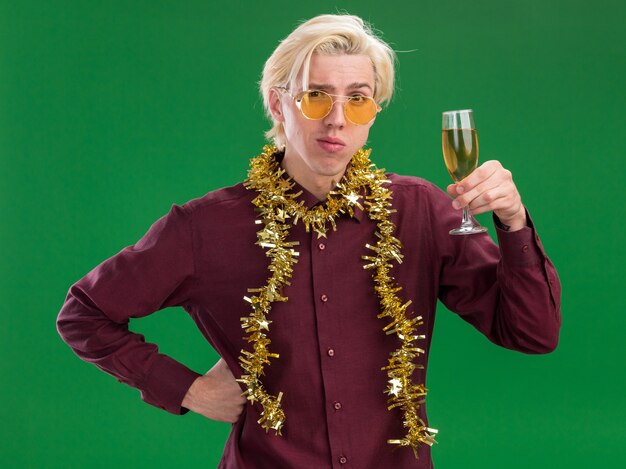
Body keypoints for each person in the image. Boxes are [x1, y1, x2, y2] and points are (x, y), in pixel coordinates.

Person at [56, 13, 561, 469]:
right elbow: (83, 314)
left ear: (374, 111)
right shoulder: (204, 227)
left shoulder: (421, 210)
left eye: (358, 99)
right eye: (316, 95)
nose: (337, 119)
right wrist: (189, 390)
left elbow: (531, 332)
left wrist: (514, 223)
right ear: (278, 103)